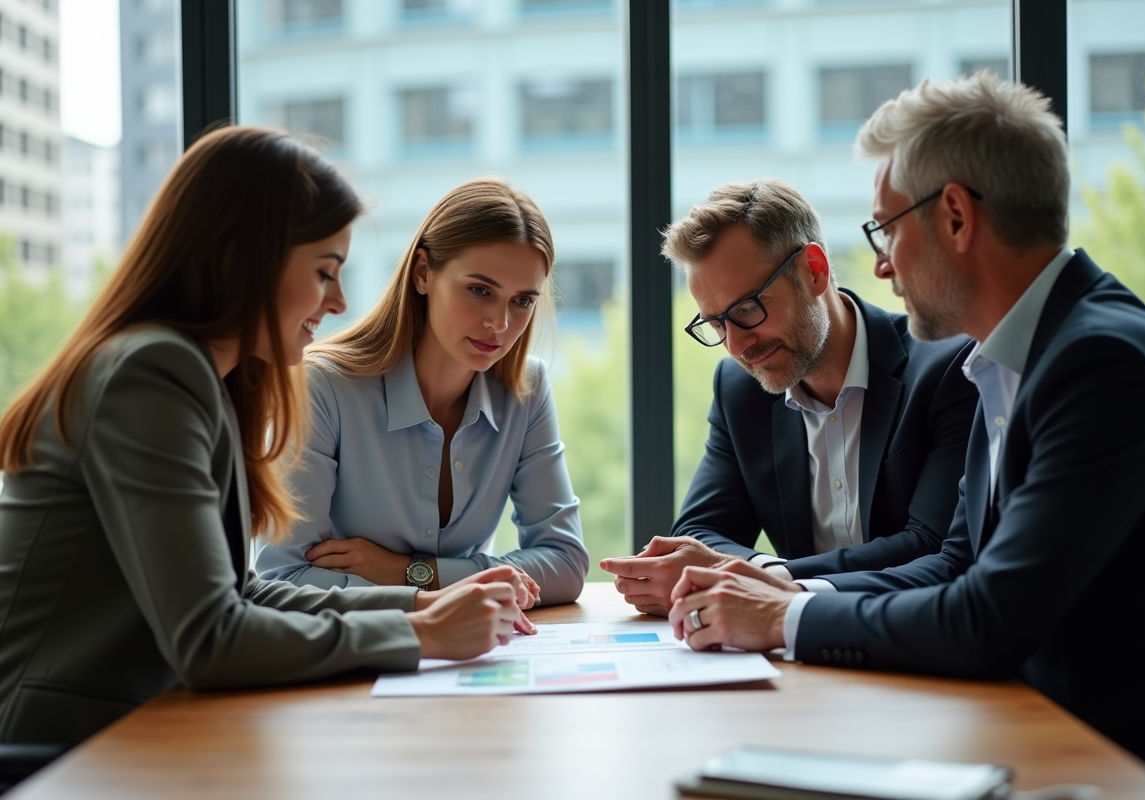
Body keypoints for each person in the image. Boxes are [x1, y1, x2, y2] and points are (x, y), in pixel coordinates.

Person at [667, 72, 1145, 767]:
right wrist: (786, 589)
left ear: (955, 216)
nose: (881, 268)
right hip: (1033, 732)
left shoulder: (1098, 362)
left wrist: (784, 615)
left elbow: (988, 616)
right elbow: (955, 563)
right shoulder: (1010, 358)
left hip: (1121, 762)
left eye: (887, 230)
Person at [0, 127, 531, 748]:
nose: (338, 302)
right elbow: (210, 637)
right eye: (325, 272)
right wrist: (422, 634)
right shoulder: (151, 373)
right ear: (245, 258)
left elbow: (240, 592)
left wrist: (420, 606)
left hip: (132, 733)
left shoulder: (208, 378)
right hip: (54, 751)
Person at [599, 180, 977, 616]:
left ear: (814, 271)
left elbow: (933, 546)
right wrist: (757, 573)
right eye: (716, 324)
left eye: (747, 310)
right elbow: (701, 532)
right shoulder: (739, 390)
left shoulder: (946, 369)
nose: (736, 346)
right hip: (792, 647)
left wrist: (767, 580)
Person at [254, 177, 588, 606]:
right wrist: (431, 601)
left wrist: (411, 572)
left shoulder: (528, 389)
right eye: (480, 290)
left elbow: (565, 563)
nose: (500, 324)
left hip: (469, 639)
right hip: (357, 644)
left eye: (522, 301)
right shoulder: (323, 387)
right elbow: (282, 578)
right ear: (423, 273)